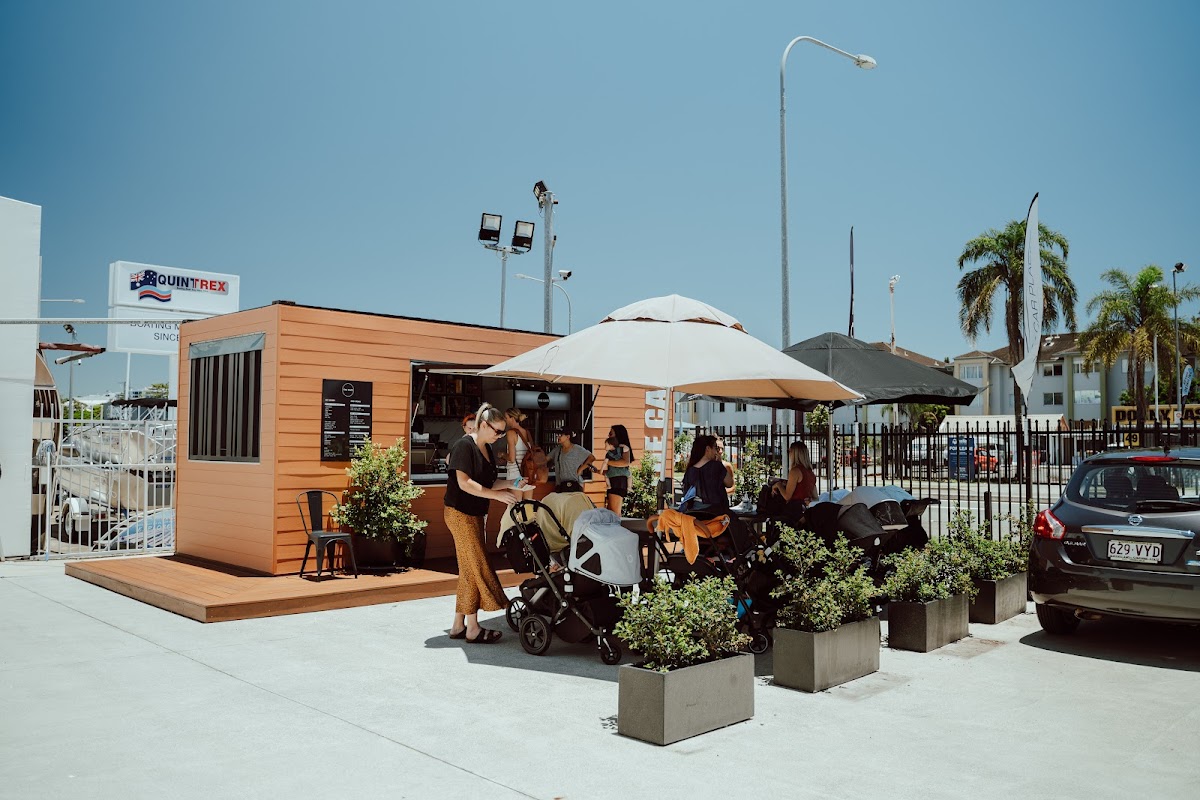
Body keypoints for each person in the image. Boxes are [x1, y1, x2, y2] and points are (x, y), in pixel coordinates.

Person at [444, 403, 521, 643]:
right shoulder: (463, 446)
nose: (499, 437)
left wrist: (513, 484)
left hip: (476, 513)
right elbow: (465, 483)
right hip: (459, 513)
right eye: (497, 431)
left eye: (501, 432)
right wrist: (497, 495)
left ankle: (459, 625)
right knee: (477, 565)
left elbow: (489, 483)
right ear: (484, 425)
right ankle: (473, 628)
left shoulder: (485, 448)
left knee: (469, 567)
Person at [681, 434, 733, 511]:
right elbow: (730, 483)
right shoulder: (716, 466)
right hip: (715, 513)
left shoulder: (690, 470)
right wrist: (720, 462)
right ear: (708, 448)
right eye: (715, 448)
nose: (716, 452)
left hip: (695, 513)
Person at [772, 441, 818, 506]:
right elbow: (815, 497)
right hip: (806, 508)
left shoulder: (795, 471)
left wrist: (778, 485)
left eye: (790, 451)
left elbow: (787, 496)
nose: (789, 454)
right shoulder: (811, 473)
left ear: (795, 454)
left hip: (794, 509)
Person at [602, 424, 634, 514]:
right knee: (610, 510)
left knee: (614, 512)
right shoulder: (614, 451)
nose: (608, 435)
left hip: (618, 481)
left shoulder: (623, 448)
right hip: (613, 480)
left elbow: (625, 462)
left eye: (611, 433)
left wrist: (606, 462)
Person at [503, 408, 533, 482]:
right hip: (529, 475)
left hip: (515, 476)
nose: (505, 420)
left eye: (506, 418)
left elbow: (512, 458)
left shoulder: (511, 433)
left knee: (512, 494)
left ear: (512, 418)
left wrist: (502, 455)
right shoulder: (527, 432)